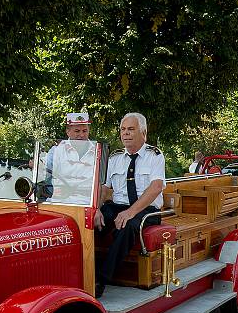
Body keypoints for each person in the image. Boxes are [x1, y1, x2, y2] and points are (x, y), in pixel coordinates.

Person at [94, 113, 166, 298]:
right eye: (123, 130)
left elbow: (156, 187)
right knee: (90, 221)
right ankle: (81, 272)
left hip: (146, 210)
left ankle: (100, 280)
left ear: (144, 132)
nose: (125, 133)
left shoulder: (155, 156)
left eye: (131, 129)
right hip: (118, 206)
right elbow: (103, 188)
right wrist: (95, 209)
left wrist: (130, 212)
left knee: (127, 226)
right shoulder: (115, 158)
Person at [44, 112, 96, 204]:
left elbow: (101, 184)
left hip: (87, 202)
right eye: (77, 131)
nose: (81, 135)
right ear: (68, 132)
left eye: (85, 131)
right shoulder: (56, 151)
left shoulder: (97, 151)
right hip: (60, 201)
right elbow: (46, 177)